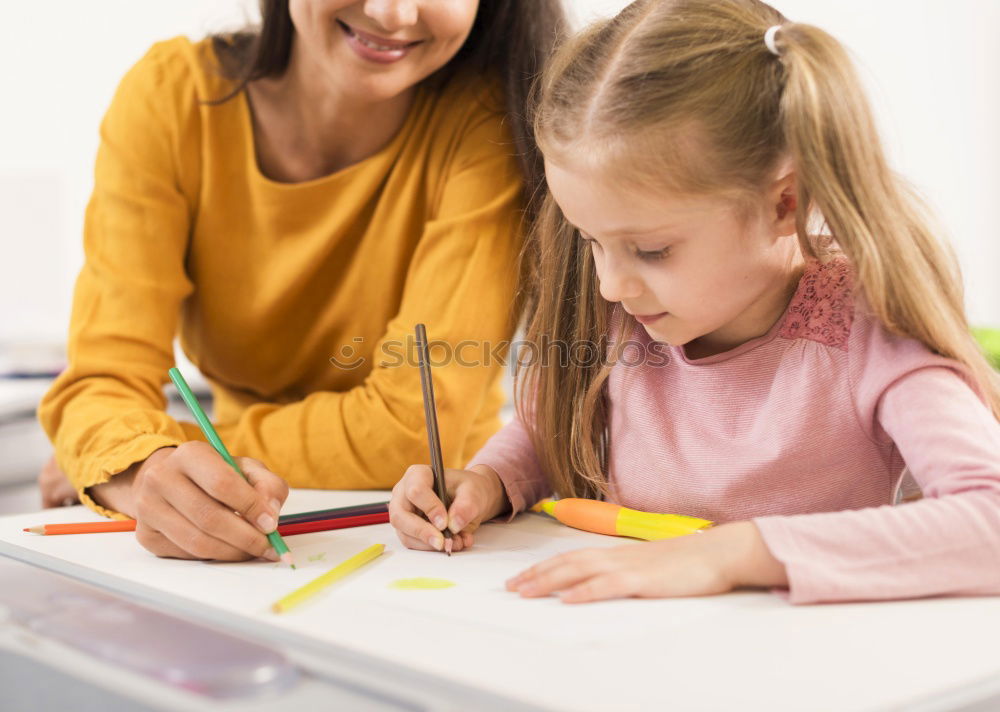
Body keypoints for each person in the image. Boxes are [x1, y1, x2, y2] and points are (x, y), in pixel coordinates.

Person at [388, 0, 1000, 605]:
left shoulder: (870, 328)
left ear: (784, 202)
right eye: (591, 240)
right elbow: (546, 430)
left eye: (652, 250)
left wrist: (734, 554)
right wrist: (487, 483)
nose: (610, 286)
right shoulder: (626, 311)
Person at [38, 0, 567, 563]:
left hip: (417, 527)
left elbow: (405, 431)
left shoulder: (493, 123)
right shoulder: (174, 96)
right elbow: (102, 379)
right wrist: (142, 466)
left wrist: (140, 452)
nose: (392, 14)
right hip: (246, 518)